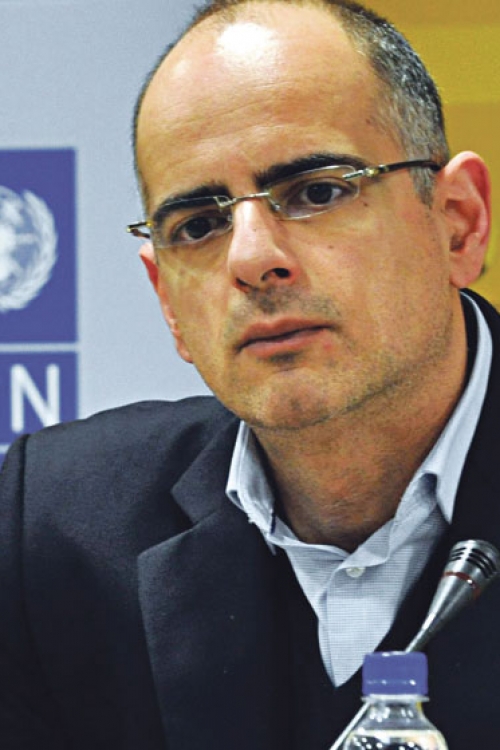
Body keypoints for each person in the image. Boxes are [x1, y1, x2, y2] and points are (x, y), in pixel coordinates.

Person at [1, 0, 499, 748]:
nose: (252, 258)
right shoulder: (55, 526)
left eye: (317, 191)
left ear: (457, 223)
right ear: (166, 300)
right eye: (199, 225)